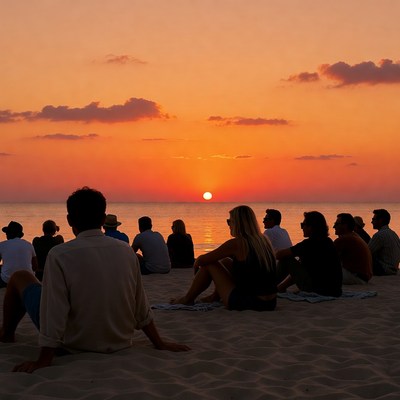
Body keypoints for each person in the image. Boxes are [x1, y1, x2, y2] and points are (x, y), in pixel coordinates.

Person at [0, 187, 189, 373]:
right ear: (102, 219)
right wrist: (159, 343)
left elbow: (54, 311)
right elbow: (140, 305)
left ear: (69, 220)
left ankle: (7, 334)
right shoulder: (126, 251)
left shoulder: (59, 254)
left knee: (20, 277)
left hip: (74, 343)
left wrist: (44, 359)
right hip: (119, 341)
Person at [170, 205, 277, 311]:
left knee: (210, 264)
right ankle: (214, 297)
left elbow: (203, 260)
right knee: (226, 261)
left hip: (249, 302)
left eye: (230, 221)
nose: (228, 225)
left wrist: (196, 264)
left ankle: (187, 298)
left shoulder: (237, 243)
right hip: (270, 302)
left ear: (238, 223)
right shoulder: (263, 241)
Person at [276, 211, 342, 297]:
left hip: (318, 290)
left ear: (310, 227)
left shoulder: (308, 244)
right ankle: (277, 287)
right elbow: (301, 270)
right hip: (334, 291)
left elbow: (280, 255)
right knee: (295, 262)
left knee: (287, 259)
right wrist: (282, 287)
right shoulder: (328, 242)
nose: (302, 228)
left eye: (303, 225)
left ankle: (266, 286)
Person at [333, 213, 372, 284]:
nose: (334, 227)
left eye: (336, 224)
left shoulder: (344, 239)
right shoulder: (355, 236)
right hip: (364, 277)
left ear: (345, 226)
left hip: (356, 277)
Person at [0, 221, 38, 288]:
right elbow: (35, 266)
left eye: (7, 233)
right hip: (28, 280)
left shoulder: (2, 245)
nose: (6, 235)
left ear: (9, 234)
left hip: (7, 281)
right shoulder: (29, 244)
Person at [368, 209, 400, 275]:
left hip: (384, 269)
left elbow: (367, 252)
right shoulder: (393, 234)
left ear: (380, 221)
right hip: (394, 269)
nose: (371, 222)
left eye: (373, 219)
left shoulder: (379, 235)